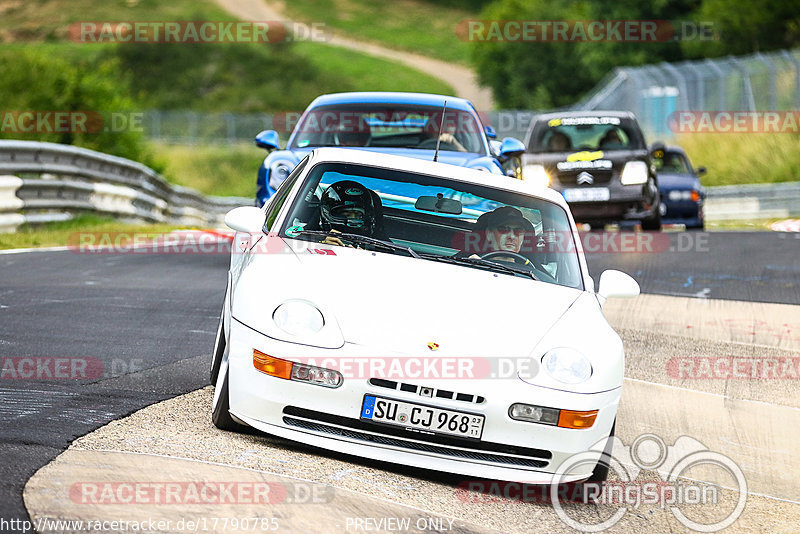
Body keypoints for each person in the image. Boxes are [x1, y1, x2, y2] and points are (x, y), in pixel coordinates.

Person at [318, 180, 389, 245]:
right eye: (346, 213)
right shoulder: (311, 242)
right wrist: (323, 245)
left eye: (357, 214)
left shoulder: (380, 248)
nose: (352, 219)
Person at [460, 206, 535, 259]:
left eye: (518, 231)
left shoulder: (532, 272)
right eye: (503, 229)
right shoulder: (466, 262)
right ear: (489, 234)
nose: (512, 236)